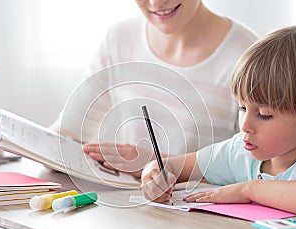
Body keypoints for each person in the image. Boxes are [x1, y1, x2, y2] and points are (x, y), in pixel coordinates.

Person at [141, 26, 296, 217]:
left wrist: (249, 189)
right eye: (242, 108)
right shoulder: (238, 152)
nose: (244, 126)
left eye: (264, 114)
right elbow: (173, 166)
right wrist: (154, 176)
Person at [52, 0, 257, 177]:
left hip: (198, 214)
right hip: (125, 204)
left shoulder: (249, 58)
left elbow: (258, 168)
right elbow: (68, 131)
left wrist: (159, 164)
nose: (156, 3)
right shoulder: (118, 39)